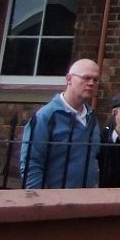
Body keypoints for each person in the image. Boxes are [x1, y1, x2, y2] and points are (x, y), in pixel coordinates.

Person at [20, 59, 103, 188]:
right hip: (55, 196)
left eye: (95, 80)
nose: (91, 83)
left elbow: (93, 159)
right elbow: (32, 164)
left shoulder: (91, 118)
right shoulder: (46, 117)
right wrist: (39, 197)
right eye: (86, 78)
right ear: (69, 79)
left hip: (87, 196)